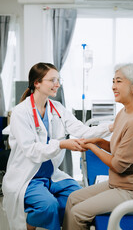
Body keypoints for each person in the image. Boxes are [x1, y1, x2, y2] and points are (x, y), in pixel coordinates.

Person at [2, 62, 113, 230]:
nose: (57, 84)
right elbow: (32, 151)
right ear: (37, 83)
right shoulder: (20, 112)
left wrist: (111, 127)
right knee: (48, 206)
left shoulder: (57, 108)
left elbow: (81, 130)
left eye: (58, 80)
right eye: (52, 80)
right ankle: (31, 224)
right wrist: (62, 144)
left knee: (78, 197)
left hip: (52, 175)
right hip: (27, 178)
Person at [62, 63, 133, 230]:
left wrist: (92, 147)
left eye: (119, 81)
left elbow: (118, 165)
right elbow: (117, 148)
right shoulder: (125, 112)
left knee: (78, 213)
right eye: (113, 81)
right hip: (118, 184)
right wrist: (97, 141)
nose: (113, 86)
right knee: (72, 199)